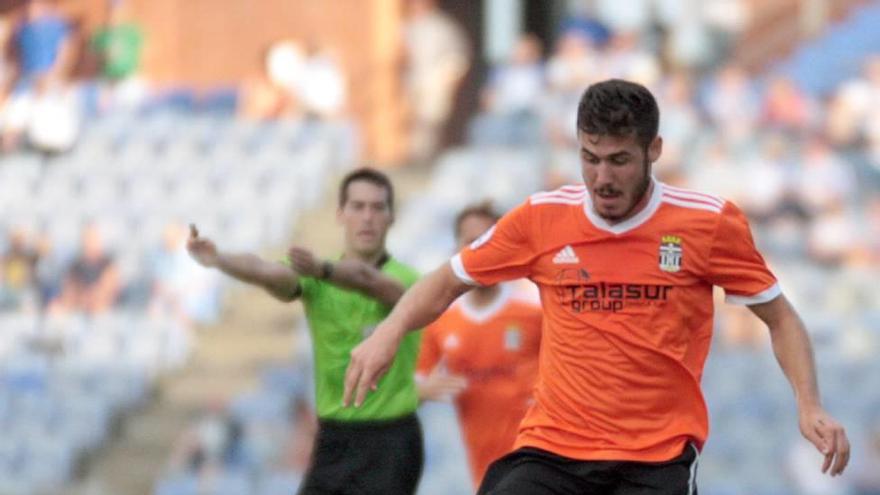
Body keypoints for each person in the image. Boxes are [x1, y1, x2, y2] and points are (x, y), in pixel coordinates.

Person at [343, 79, 850, 494]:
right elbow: (448, 281)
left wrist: (809, 404)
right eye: (590, 157)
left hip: (655, 459)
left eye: (619, 160)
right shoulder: (542, 218)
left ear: (654, 149)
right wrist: (389, 332)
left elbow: (780, 317)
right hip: (555, 451)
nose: (601, 177)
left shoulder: (707, 223)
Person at [187, 168, 424, 495]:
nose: (367, 217)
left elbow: (371, 281)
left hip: (390, 440)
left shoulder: (409, 281)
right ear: (340, 214)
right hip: (334, 437)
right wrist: (220, 259)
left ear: (391, 217)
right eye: (357, 206)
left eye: (377, 207)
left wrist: (324, 269)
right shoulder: (316, 278)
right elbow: (267, 271)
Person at [416, 202, 542, 487]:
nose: (480, 251)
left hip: (536, 458)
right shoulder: (440, 323)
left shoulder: (534, 312)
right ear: (455, 250)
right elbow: (413, 387)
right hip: (479, 469)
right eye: (471, 242)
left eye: (488, 240)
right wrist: (421, 390)